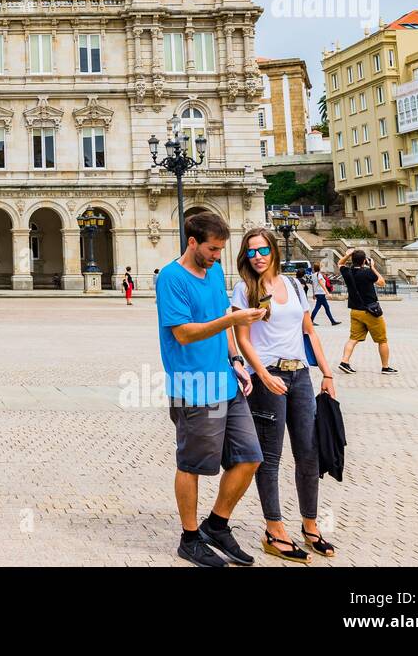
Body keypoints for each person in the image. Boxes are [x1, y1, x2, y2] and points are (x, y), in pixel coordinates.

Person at [155, 211, 266, 568]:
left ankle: (216, 525)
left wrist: (235, 360)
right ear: (192, 242)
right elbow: (184, 333)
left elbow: (220, 319)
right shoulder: (171, 278)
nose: (218, 256)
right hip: (194, 387)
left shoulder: (214, 271)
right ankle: (189, 539)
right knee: (192, 464)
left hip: (225, 381)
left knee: (250, 457)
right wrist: (233, 319)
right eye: (213, 249)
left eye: (220, 250)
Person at [232, 229, 338, 563]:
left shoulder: (293, 286)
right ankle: (274, 529)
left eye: (262, 250)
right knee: (271, 456)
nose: (258, 257)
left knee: (308, 452)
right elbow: (242, 338)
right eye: (251, 253)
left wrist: (328, 373)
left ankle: (310, 525)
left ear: (274, 250)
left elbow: (309, 331)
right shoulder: (245, 289)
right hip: (268, 377)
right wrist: (262, 375)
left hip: (301, 376)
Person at [338, 250, 395, 374]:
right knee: (382, 340)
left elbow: (340, 263)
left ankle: (344, 361)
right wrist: (373, 267)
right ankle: (385, 367)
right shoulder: (367, 273)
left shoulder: (347, 272)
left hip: (355, 311)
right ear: (364, 260)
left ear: (352, 260)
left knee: (353, 338)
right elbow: (381, 282)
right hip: (370, 311)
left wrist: (348, 254)